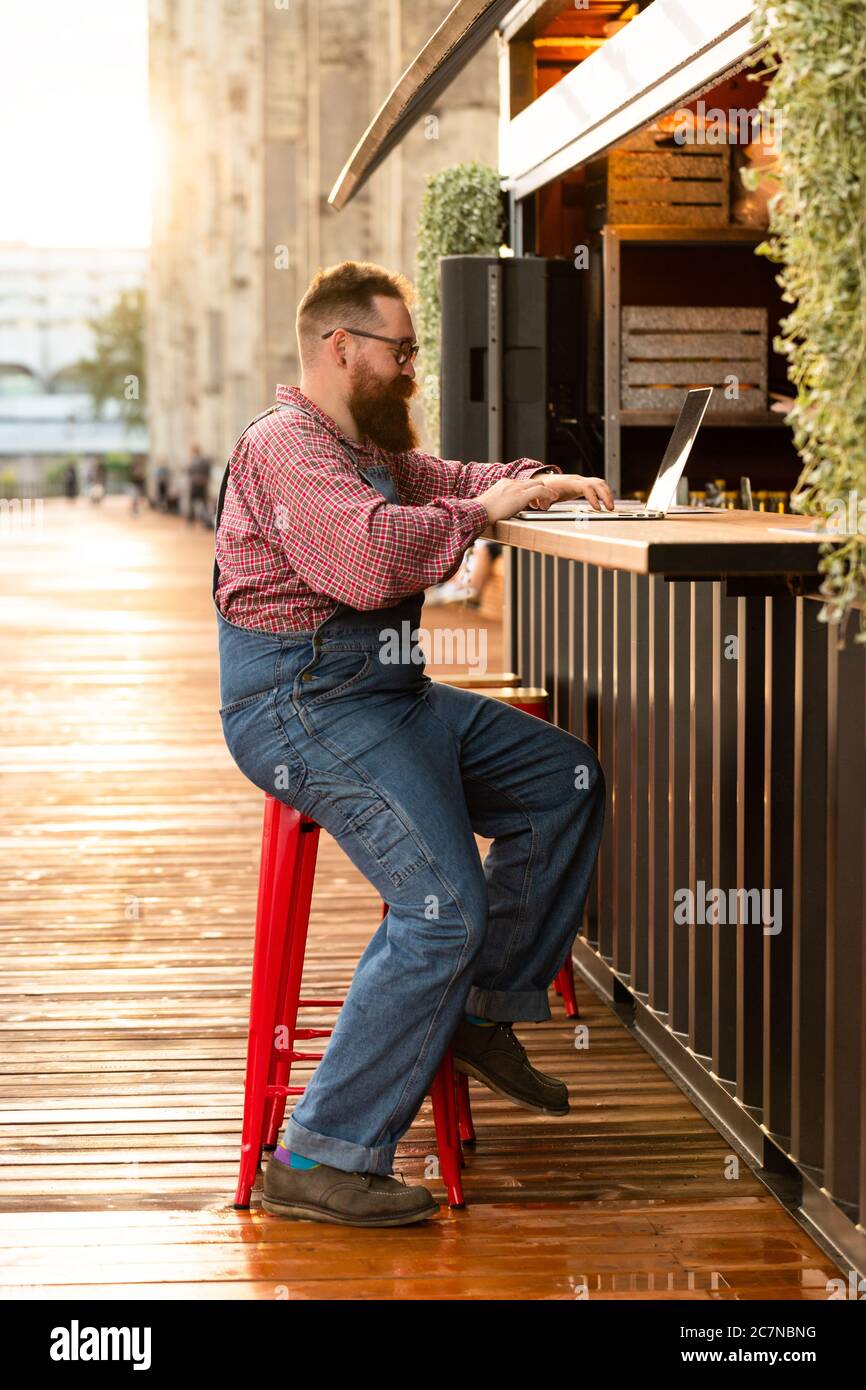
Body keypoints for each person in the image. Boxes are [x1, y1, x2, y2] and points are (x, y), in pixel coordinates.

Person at [213, 259, 611, 1228]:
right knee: (439, 906)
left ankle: (479, 1006)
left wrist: (535, 481)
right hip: (300, 703)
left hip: (387, 692)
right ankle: (316, 1152)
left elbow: (458, 479)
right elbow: (368, 560)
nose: (411, 370)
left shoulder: (367, 448)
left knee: (564, 775)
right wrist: (482, 513)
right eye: (400, 351)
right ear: (339, 345)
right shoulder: (286, 448)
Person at [425, 537, 503, 607]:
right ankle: (451, 588)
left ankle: (469, 590)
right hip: (477, 543)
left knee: (480, 549)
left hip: (491, 544)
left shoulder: (485, 548)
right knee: (466, 547)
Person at [186, 445, 211, 526]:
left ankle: (204, 521)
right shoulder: (198, 460)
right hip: (198, 484)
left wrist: (200, 479)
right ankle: (202, 521)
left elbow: (190, 472)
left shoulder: (197, 461)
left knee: (200, 504)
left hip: (199, 484)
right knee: (198, 504)